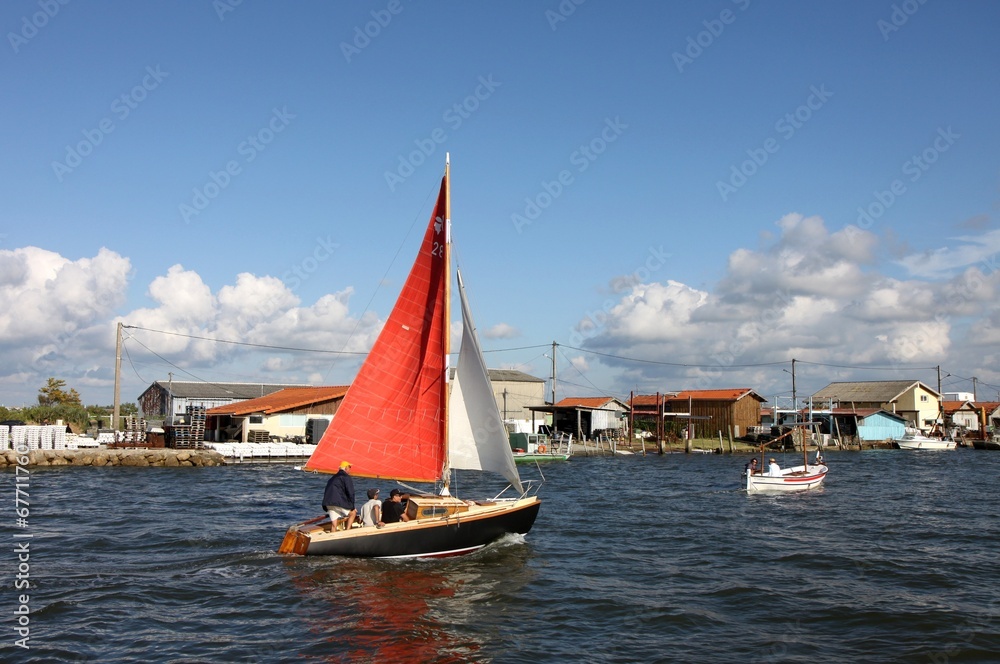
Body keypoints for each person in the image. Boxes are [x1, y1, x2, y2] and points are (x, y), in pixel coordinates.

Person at [322, 460, 356, 532]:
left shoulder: (332, 478)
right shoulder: (346, 477)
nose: (350, 469)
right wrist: (352, 506)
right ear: (346, 468)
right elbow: (351, 492)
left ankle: (332, 536)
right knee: (353, 513)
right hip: (337, 502)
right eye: (350, 467)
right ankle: (347, 532)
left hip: (328, 503)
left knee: (334, 525)